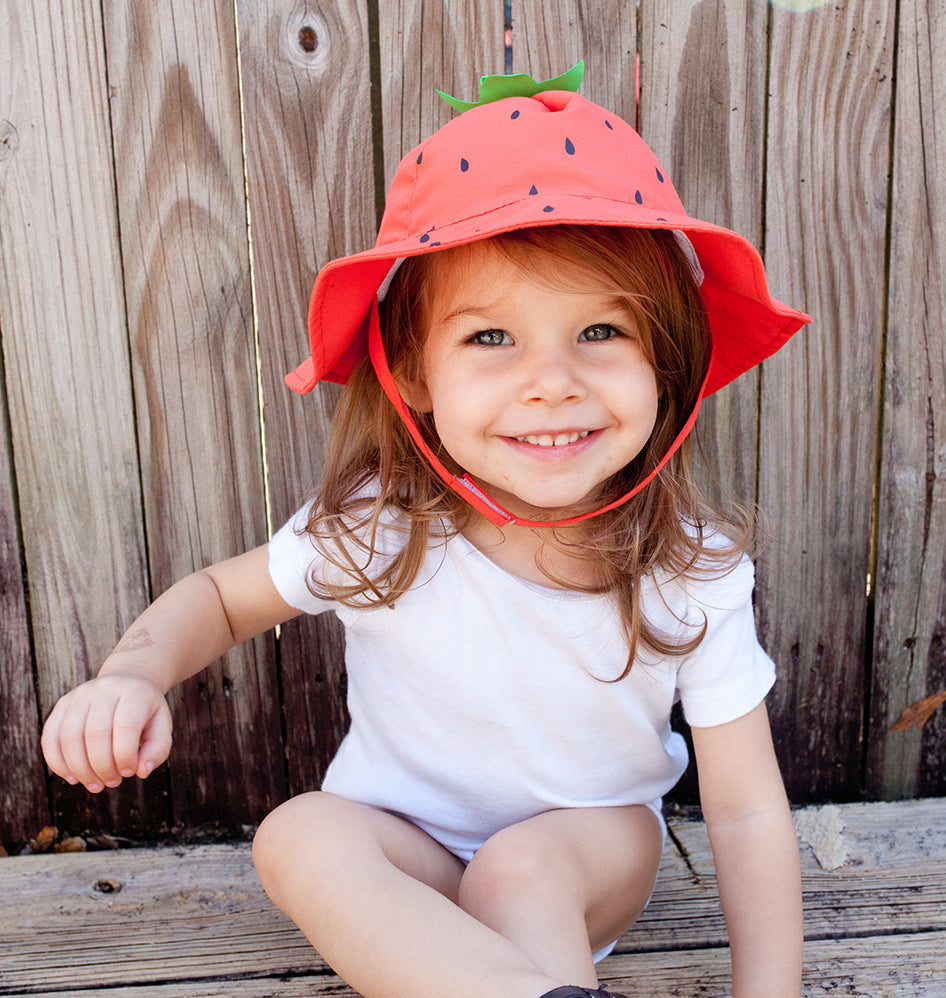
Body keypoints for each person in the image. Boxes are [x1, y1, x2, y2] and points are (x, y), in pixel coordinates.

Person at [41, 65, 809, 998]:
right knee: (298, 833)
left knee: (518, 871)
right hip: (409, 861)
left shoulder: (687, 567)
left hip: (588, 850)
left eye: (601, 330)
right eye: (492, 338)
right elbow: (217, 598)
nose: (551, 381)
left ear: (670, 362)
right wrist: (133, 672)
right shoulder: (383, 527)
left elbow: (745, 811)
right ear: (411, 374)